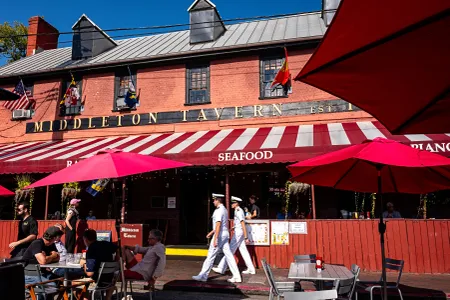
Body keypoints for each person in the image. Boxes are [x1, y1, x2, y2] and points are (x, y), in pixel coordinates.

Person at [192, 193, 242, 283]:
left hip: (220, 235)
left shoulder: (219, 211)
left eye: (214, 200)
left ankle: (203, 275)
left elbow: (218, 225)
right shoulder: (224, 210)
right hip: (225, 234)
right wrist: (211, 233)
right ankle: (237, 276)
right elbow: (221, 225)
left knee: (211, 255)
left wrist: (215, 238)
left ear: (218, 200)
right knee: (229, 256)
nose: (213, 202)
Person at [212, 196, 256, 275]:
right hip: (239, 231)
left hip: (239, 233)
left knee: (230, 250)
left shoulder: (238, 211)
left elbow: (242, 224)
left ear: (236, 204)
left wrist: (246, 237)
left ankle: (221, 268)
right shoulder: (238, 210)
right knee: (243, 251)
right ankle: (251, 269)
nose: (231, 204)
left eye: (233, 203)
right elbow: (239, 223)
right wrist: (234, 227)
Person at [78, 229, 118, 300]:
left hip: (97, 282)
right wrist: (116, 261)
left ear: (85, 239)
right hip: (109, 280)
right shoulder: (105, 244)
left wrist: (84, 263)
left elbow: (89, 273)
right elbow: (119, 248)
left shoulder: (91, 250)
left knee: (71, 283)